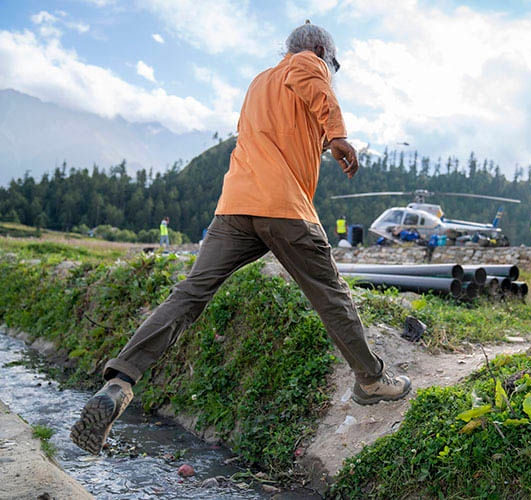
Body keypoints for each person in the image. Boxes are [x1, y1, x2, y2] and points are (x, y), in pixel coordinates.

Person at [70, 23, 411, 455]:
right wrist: (339, 135)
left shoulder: (258, 84)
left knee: (190, 294)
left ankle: (120, 381)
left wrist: (322, 140)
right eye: (332, 64)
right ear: (321, 51)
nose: (329, 71)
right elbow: (316, 87)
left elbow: (280, 132)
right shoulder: (308, 63)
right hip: (283, 207)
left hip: (235, 206)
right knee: (331, 295)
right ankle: (372, 379)